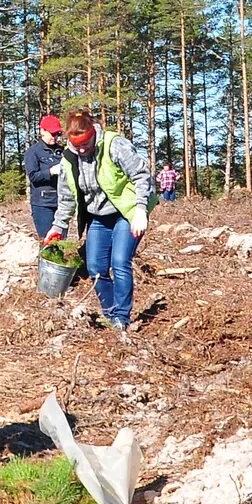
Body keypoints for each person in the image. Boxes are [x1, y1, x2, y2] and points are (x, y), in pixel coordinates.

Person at [43, 108, 154, 334]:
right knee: (95, 267)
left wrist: (141, 210)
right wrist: (58, 226)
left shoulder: (115, 145)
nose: (82, 149)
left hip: (127, 212)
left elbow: (142, 175)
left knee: (120, 261)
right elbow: (66, 197)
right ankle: (110, 313)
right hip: (98, 216)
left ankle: (122, 317)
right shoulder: (69, 159)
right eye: (77, 145)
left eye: (86, 143)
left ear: (93, 133)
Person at [23, 114, 64, 240]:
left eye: (57, 134)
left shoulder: (62, 151)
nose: (55, 137)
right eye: (52, 133)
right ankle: (45, 260)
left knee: (62, 242)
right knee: (48, 242)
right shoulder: (33, 152)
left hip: (62, 203)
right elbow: (33, 176)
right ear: (42, 131)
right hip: (43, 205)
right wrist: (51, 172)